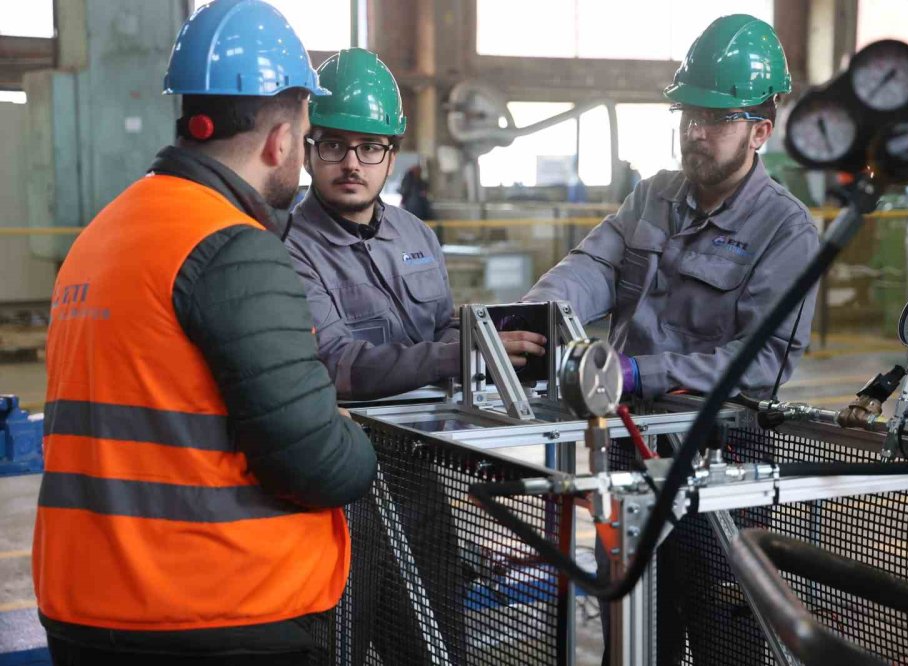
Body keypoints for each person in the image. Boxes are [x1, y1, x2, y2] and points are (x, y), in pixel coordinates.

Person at [32, 2, 376, 665]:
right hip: (213, 610)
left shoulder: (104, 234)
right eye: (306, 139)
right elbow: (316, 463)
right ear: (279, 139)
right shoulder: (232, 248)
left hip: (87, 609)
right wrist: (355, 439)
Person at [523, 14, 819, 665]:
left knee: (725, 641)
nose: (695, 131)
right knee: (631, 631)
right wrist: (533, 314)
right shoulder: (652, 197)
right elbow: (593, 266)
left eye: (716, 119)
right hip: (626, 463)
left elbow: (764, 363)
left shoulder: (786, 232)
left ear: (759, 131)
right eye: (688, 114)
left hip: (722, 468)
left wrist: (637, 374)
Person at [285, 48, 545, 401]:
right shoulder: (289, 250)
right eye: (333, 145)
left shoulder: (418, 235)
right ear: (307, 155)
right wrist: (461, 355)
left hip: (439, 430)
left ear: (391, 160)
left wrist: (484, 341)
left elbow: (441, 327)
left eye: (371, 147)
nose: (352, 164)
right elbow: (335, 364)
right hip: (357, 436)